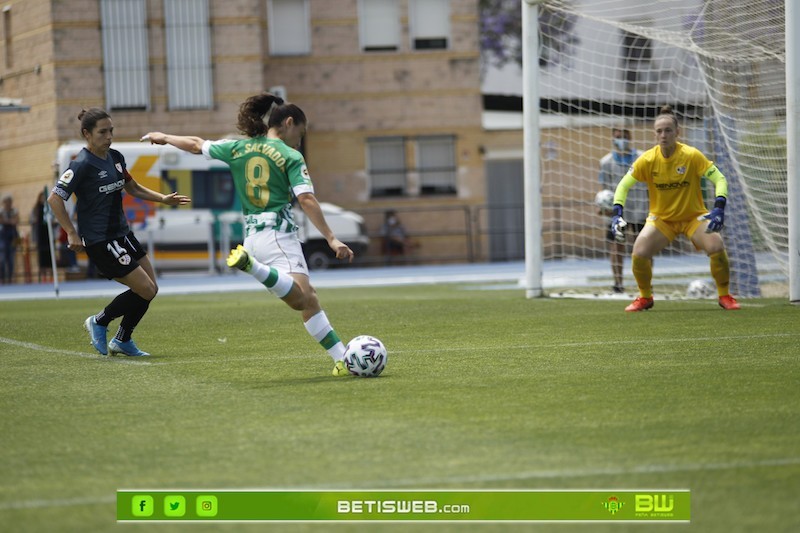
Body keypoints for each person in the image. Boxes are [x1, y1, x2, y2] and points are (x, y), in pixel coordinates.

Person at [141, 92, 356, 376]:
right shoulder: (290, 155)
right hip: (278, 236)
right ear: (289, 123)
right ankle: (250, 266)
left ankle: (341, 359)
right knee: (302, 299)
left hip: (254, 237)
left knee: (310, 300)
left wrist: (165, 136)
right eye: (300, 133)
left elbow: (195, 144)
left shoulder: (237, 147)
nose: (299, 141)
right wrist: (331, 237)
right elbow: (306, 199)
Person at [48, 108, 191, 356]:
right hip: (100, 240)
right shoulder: (81, 165)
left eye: (111, 131)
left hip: (122, 234)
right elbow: (55, 199)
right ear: (87, 134)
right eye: (102, 132)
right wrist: (71, 232)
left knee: (151, 289)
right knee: (144, 289)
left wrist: (163, 198)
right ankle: (99, 321)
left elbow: (132, 187)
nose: (109, 136)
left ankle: (122, 339)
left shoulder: (115, 157)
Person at [610, 105, 740, 312]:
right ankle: (645, 297)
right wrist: (617, 213)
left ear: (677, 132)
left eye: (668, 130)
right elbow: (623, 186)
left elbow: (720, 179)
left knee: (716, 246)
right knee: (639, 252)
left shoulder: (691, 155)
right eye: (659, 131)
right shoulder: (647, 159)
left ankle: (724, 295)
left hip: (693, 217)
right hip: (662, 220)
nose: (663, 135)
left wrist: (719, 208)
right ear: (654, 134)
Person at [598, 124, 647, 293]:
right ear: (613, 138)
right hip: (618, 211)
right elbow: (604, 188)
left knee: (643, 247)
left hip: (641, 207)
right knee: (616, 246)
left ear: (630, 138)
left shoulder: (641, 158)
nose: (622, 140)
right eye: (618, 136)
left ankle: (646, 283)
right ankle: (618, 284)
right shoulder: (605, 162)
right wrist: (603, 206)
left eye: (625, 136)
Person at [30, 191, 53, 282]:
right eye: (41, 197)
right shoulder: (36, 209)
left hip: (48, 235)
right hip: (40, 235)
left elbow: (53, 218)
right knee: (41, 257)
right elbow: (32, 220)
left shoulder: (49, 208)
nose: (43, 199)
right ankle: (43, 278)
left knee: (49, 256)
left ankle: (51, 277)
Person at [0, 194, 20, 284]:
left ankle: (10, 278)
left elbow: (16, 221)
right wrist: (10, 221)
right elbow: (2, 221)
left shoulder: (14, 211)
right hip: (2, 237)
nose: (8, 204)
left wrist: (8, 221)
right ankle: (2, 278)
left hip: (13, 236)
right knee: (2, 258)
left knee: (11, 258)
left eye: (9, 202)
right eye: (6, 202)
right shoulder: (1, 212)